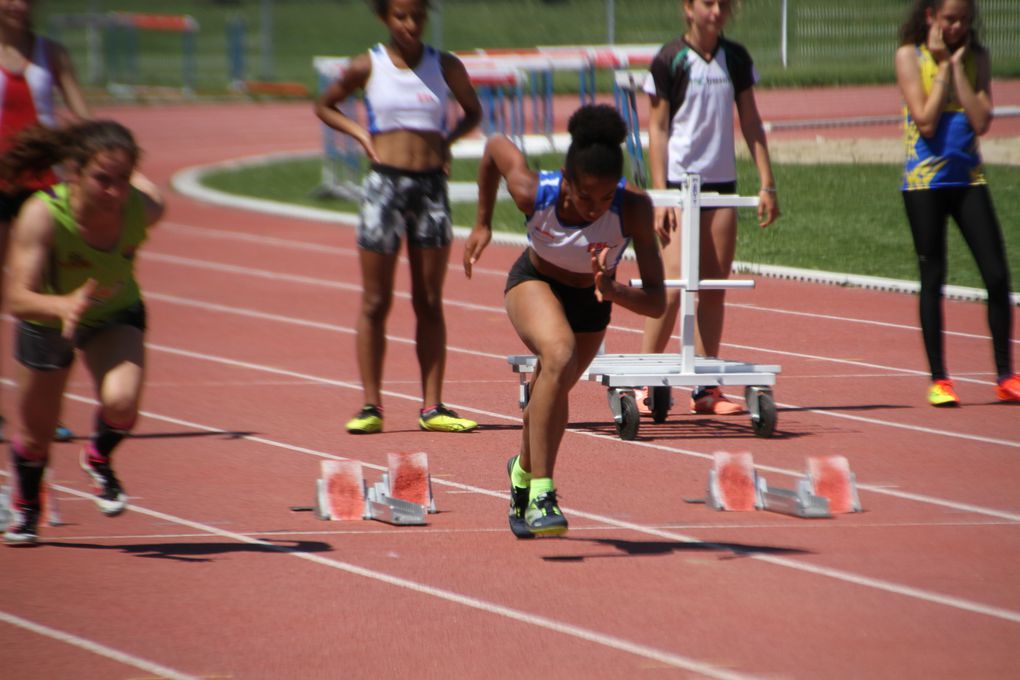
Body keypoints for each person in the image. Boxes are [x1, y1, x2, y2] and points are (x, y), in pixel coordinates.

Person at [464, 105, 666, 537]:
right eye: (585, 196)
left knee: (547, 393)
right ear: (565, 179)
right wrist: (481, 223)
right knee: (558, 353)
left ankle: (520, 472)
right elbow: (493, 148)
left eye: (606, 197)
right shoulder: (534, 192)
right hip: (534, 281)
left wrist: (615, 291)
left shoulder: (633, 209)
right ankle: (542, 494)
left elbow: (656, 302)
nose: (596, 208)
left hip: (591, 302)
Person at [314, 0, 482, 435]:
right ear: (384, 18)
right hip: (383, 188)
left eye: (417, 16)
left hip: (430, 190)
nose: (409, 25)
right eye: (400, 16)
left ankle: (432, 407)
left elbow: (474, 112)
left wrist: (447, 142)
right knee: (375, 301)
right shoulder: (366, 65)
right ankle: (371, 405)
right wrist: (361, 135)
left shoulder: (445, 65)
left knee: (428, 300)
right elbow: (325, 105)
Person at [2, 120, 164, 545]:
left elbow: (140, 188)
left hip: (114, 312)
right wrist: (63, 305)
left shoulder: (144, 207)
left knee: (122, 404)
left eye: (123, 180)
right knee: (36, 437)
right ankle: (27, 505)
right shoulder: (43, 215)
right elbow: (16, 298)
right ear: (73, 173)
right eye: (102, 180)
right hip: (47, 318)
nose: (114, 193)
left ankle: (98, 457)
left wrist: (126, 159)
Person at [637, 0, 779, 417]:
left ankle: (705, 389)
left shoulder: (735, 58)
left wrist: (767, 182)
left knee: (714, 288)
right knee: (673, 284)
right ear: (689, 8)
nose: (716, 11)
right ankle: (646, 380)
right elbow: (658, 129)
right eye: (707, 3)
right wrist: (660, 194)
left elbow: (751, 121)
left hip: (721, 186)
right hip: (679, 187)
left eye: (722, 4)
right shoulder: (670, 59)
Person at [896, 0, 1019, 407]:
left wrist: (957, 68)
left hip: (968, 179)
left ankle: (1005, 374)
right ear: (931, 16)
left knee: (997, 275)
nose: (957, 27)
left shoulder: (977, 57)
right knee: (934, 277)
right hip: (924, 183)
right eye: (950, 19)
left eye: (964, 20)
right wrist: (944, 67)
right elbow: (927, 120)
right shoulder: (908, 56)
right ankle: (940, 379)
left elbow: (982, 120)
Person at [1, 0, 92, 442]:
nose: (18, 5)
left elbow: (81, 116)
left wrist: (101, 153)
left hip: (44, 190)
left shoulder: (51, 53)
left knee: (44, 302)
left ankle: (42, 407)